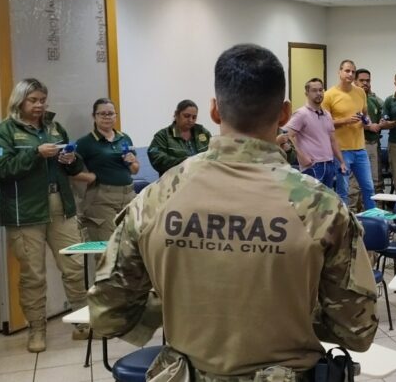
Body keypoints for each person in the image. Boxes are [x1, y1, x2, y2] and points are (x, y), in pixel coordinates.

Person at [88, 43, 378, 381]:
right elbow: (356, 329)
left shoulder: (156, 198)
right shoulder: (321, 208)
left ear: (214, 111)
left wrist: (180, 302)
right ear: (284, 114)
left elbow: (108, 315)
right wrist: (289, 310)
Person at [0, 78, 90, 353]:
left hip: (60, 205)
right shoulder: (2, 132)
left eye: (42, 100)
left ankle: (83, 324)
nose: (39, 105)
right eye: (33, 100)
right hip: (25, 212)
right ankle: (36, 330)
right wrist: (36, 154)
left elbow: (75, 166)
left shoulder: (55, 128)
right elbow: (3, 170)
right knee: (33, 275)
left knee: (74, 266)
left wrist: (71, 160)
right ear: (19, 100)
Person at [75, 98, 140, 242]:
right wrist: (90, 177)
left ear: (115, 116)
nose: (107, 117)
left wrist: (132, 162)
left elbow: (135, 170)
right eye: (102, 114)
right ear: (94, 116)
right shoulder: (85, 142)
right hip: (101, 198)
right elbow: (70, 171)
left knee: (130, 243)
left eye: (110, 114)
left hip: (129, 195)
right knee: (106, 245)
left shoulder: (124, 138)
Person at [323, 59, 376, 211]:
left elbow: (365, 114)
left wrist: (367, 121)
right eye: (347, 71)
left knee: (368, 187)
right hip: (341, 151)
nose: (350, 74)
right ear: (339, 72)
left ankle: (372, 218)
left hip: (360, 149)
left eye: (353, 71)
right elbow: (324, 124)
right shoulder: (329, 95)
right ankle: (345, 220)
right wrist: (345, 120)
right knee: (343, 190)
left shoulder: (360, 92)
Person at [286, 78, 346, 191]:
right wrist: (301, 156)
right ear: (306, 93)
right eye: (314, 90)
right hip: (313, 166)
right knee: (313, 200)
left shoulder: (327, 114)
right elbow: (287, 136)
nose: (318, 93)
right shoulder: (301, 114)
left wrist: (341, 161)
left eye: (320, 90)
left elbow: (333, 140)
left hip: (329, 164)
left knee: (327, 199)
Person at [148, 100, 213, 177]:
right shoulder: (163, 136)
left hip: (203, 179)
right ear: (176, 114)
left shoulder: (202, 132)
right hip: (175, 181)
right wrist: (186, 161)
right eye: (186, 116)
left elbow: (215, 152)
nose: (191, 120)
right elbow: (157, 159)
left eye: (194, 117)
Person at [352, 68, 384, 205]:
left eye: (368, 80)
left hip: (373, 144)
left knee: (375, 180)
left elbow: (383, 116)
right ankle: (353, 211)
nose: (365, 83)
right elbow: (351, 121)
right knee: (355, 182)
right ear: (355, 81)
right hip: (357, 144)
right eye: (362, 80)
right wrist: (369, 127)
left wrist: (383, 122)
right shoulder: (351, 99)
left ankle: (374, 211)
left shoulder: (373, 100)